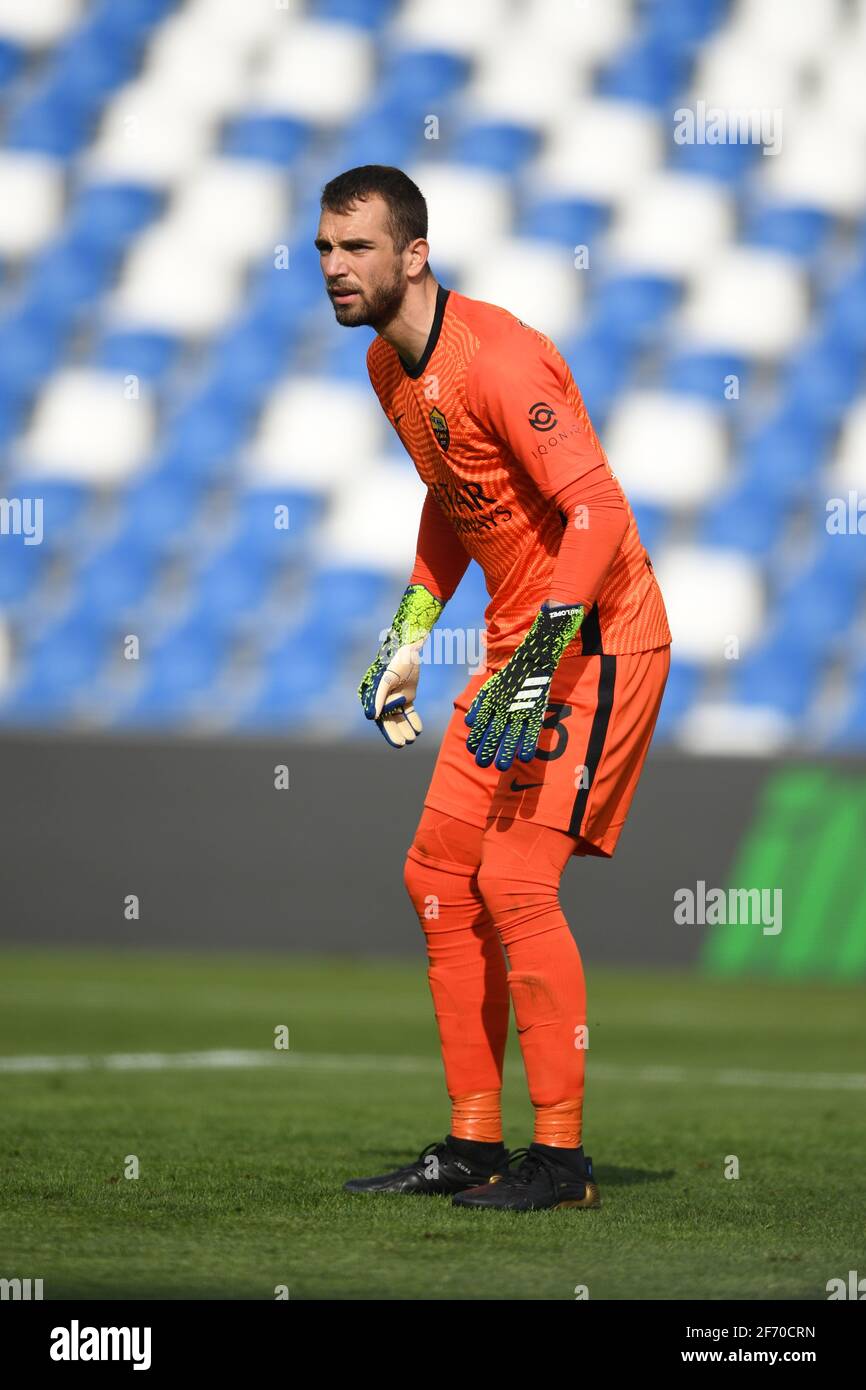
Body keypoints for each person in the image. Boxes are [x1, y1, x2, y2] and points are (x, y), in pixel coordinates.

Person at [315, 165, 671, 1212]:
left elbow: (599, 515)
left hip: (598, 639)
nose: (333, 268)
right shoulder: (389, 370)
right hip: (518, 648)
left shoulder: (499, 361)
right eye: (324, 248)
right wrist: (409, 633)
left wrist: (538, 654)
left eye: (356, 249)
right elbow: (452, 501)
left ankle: (559, 1164)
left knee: (514, 881)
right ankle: (472, 1145)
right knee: (435, 873)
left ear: (413, 255)